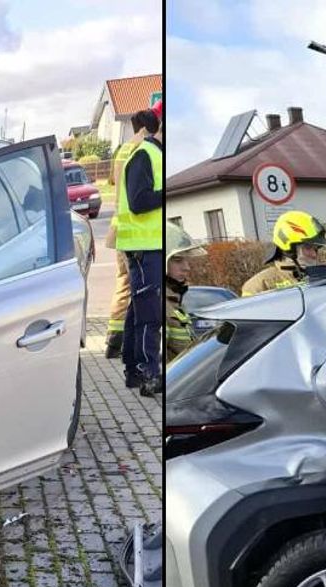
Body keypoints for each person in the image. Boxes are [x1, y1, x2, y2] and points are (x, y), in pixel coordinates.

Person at [115, 101, 163, 396]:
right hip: (144, 247)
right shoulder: (145, 155)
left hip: (145, 246)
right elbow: (139, 201)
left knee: (138, 310)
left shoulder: (151, 154)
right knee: (148, 314)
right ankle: (149, 375)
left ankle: (133, 368)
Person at [104, 114, 152, 359]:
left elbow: (113, 181)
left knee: (123, 283)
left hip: (121, 227)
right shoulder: (141, 149)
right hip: (134, 230)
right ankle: (118, 341)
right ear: (145, 128)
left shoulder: (123, 148)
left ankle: (115, 339)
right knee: (131, 286)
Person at [241, 210, 326, 295]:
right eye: (308, 248)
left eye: (316, 249)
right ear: (289, 250)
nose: (314, 254)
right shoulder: (259, 286)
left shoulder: (322, 278)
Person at [165, 223, 204, 364]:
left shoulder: (173, 301)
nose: (186, 268)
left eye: (187, 260)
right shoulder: (158, 304)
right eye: (177, 260)